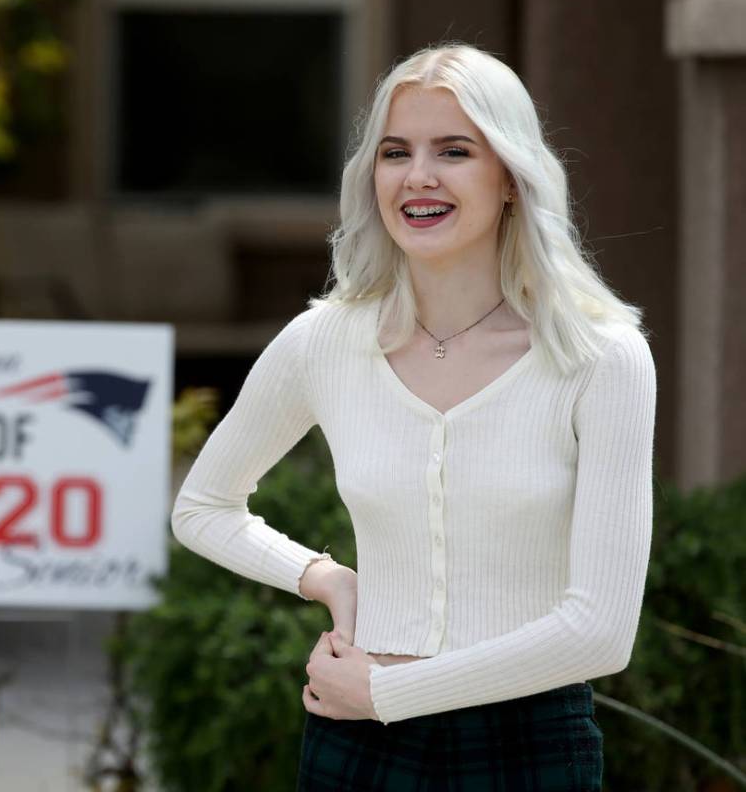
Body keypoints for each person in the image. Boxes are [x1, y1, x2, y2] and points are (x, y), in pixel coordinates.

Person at [169, 41, 656, 791]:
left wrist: (387, 694)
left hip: (527, 745)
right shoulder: (323, 341)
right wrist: (324, 578)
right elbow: (202, 507)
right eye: (395, 152)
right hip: (354, 743)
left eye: (453, 150)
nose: (417, 176)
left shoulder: (600, 358)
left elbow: (599, 634)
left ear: (510, 179)